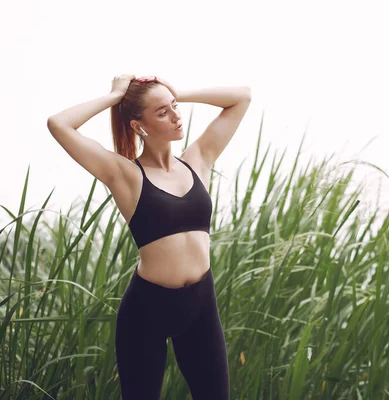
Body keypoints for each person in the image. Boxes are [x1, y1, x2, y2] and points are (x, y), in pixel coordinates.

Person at [46, 74, 252, 399]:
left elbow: (241, 96)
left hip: (201, 305)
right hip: (146, 311)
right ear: (139, 126)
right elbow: (59, 124)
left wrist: (177, 91)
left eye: (174, 107)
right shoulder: (125, 175)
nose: (176, 115)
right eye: (162, 112)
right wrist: (115, 96)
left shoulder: (198, 160)